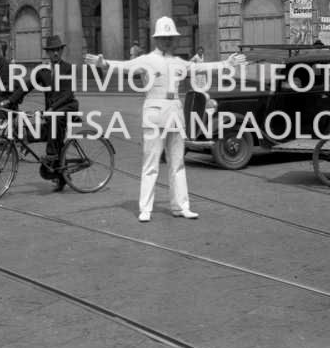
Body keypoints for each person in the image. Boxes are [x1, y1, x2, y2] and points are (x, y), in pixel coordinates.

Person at [86, 17, 245, 222]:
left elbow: (200, 69)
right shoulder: (146, 60)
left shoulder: (179, 62)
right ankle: (145, 208)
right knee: (151, 162)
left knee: (177, 162)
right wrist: (104, 63)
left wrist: (227, 63)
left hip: (175, 114)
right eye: (164, 37)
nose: (168, 41)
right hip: (154, 113)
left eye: (171, 37)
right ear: (156, 39)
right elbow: (125, 66)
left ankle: (181, 206)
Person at [2, 35, 79, 192]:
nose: (56, 53)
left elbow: (67, 94)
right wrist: (10, 100)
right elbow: (27, 86)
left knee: (53, 123)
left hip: (67, 106)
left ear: (62, 51)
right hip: (52, 111)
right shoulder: (42, 71)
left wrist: (52, 108)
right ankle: (61, 174)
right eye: (52, 51)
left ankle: (51, 155)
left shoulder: (68, 68)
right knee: (47, 130)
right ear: (48, 53)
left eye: (58, 50)